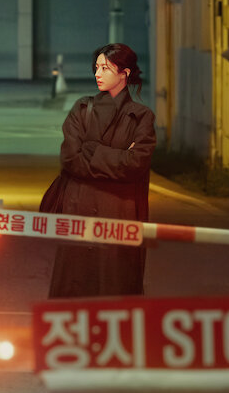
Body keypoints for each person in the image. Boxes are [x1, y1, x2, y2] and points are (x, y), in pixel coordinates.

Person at [40, 43, 156, 297]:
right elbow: (70, 158)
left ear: (124, 73)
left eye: (105, 68)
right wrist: (117, 159)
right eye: (96, 67)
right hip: (81, 210)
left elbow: (135, 164)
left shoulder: (141, 116)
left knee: (113, 287)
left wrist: (92, 150)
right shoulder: (82, 109)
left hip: (118, 215)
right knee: (75, 288)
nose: (97, 74)